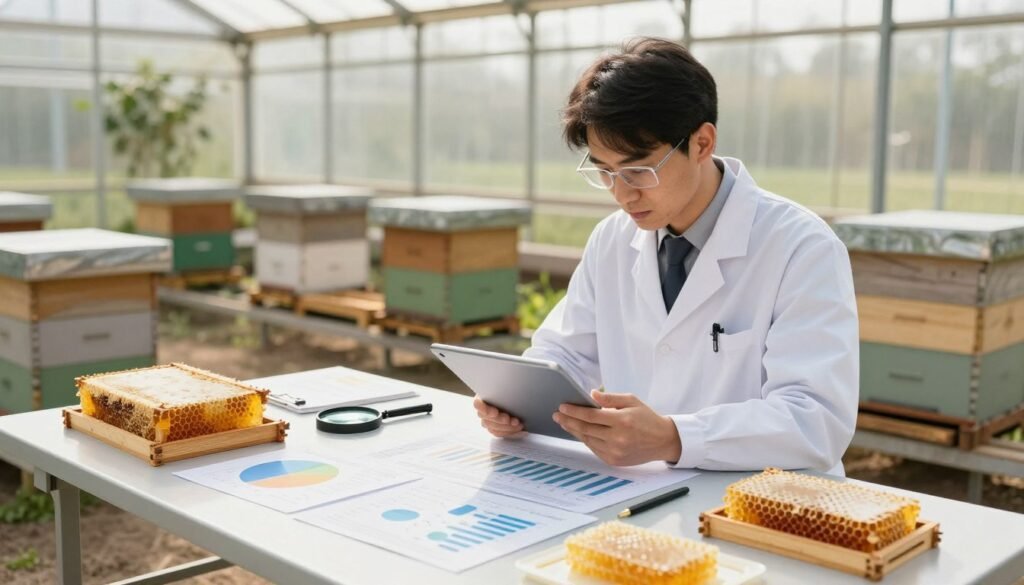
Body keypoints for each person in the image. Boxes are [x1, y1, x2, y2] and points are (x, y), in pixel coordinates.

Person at [473, 37, 859, 475]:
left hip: (763, 503)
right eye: (604, 171)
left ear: (702, 143)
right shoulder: (612, 241)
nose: (622, 193)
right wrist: (516, 402)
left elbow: (816, 419)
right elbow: (565, 357)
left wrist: (676, 437)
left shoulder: (801, 247)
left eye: (639, 170)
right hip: (643, 492)